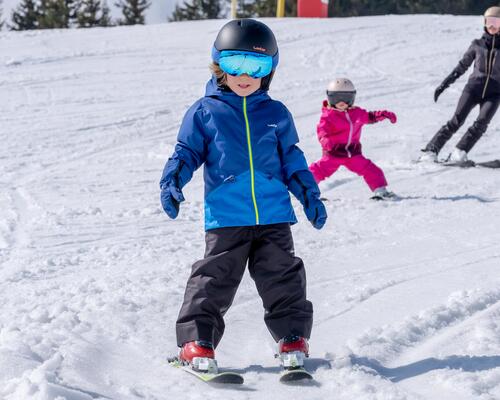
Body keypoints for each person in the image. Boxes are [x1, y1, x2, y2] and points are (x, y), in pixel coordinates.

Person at [159, 19, 327, 373]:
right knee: (212, 280)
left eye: (258, 66)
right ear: (219, 65)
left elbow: (293, 161)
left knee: (283, 277)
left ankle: (292, 338)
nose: (246, 75)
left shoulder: (276, 114)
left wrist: (308, 195)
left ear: (270, 70)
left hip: (274, 216)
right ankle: (196, 342)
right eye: (236, 64)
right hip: (227, 216)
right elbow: (186, 152)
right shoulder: (206, 112)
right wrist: (172, 180)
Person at [420, 6, 500, 163]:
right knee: (456, 120)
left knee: (481, 124)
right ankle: (431, 150)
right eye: (488, 22)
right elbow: (462, 66)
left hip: (494, 93)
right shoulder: (477, 45)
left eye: (495, 22)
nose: (491, 26)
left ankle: (459, 151)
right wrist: (445, 84)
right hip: (473, 89)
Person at [309, 78, 397, 200]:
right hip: (334, 153)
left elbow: (369, 117)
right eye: (336, 97)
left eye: (346, 97)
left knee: (371, 170)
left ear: (352, 98)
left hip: (353, 154)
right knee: (317, 171)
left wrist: (383, 115)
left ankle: (381, 191)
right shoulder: (328, 116)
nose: (341, 102)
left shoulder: (356, 113)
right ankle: (307, 192)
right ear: (330, 98)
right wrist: (327, 142)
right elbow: (322, 132)